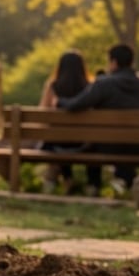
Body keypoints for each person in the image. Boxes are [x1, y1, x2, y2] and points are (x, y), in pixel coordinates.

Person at [59, 44, 139, 194]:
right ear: (131, 62)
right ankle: (128, 183)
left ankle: (94, 186)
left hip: (108, 146)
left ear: (113, 62)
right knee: (108, 141)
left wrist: (59, 101)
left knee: (91, 143)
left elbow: (75, 105)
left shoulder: (103, 84)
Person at [38, 51, 92, 191]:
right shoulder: (91, 87)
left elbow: (42, 115)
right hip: (84, 143)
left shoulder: (52, 86)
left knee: (56, 138)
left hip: (56, 143)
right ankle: (90, 185)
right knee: (70, 138)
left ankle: (58, 181)